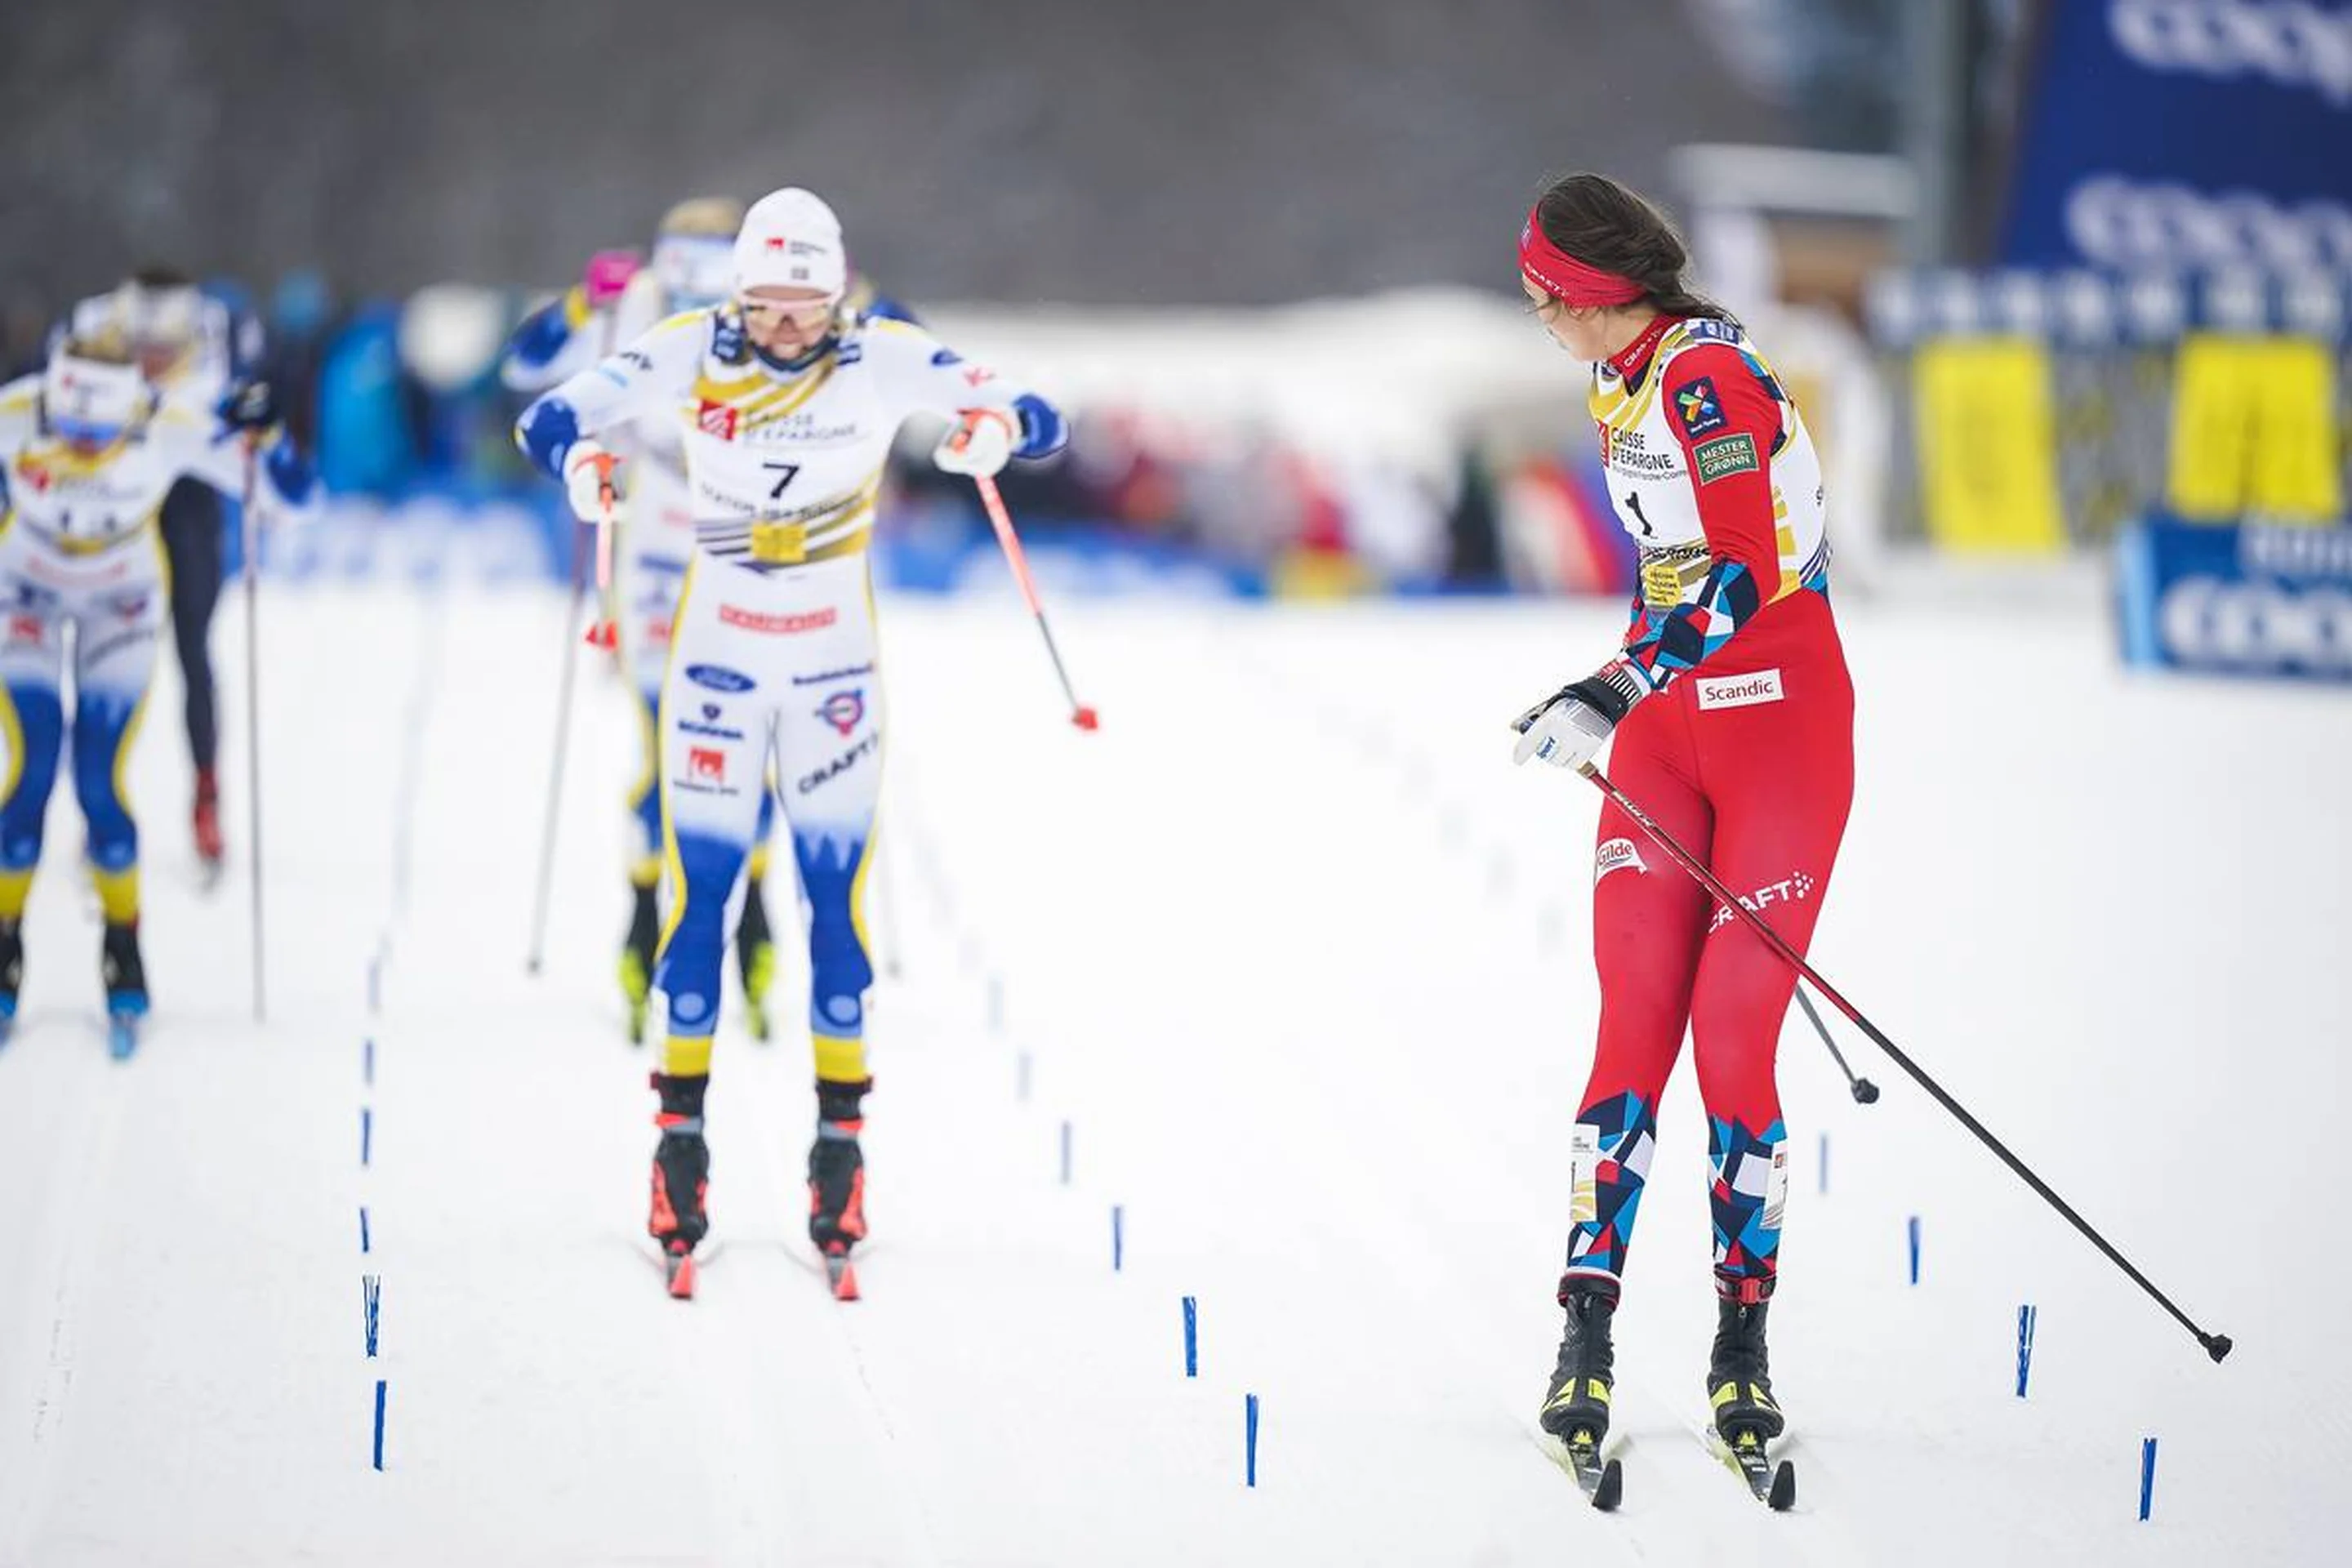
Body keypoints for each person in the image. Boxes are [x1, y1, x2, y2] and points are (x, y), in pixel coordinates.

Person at [514, 187, 1067, 1298]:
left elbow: (1035, 410)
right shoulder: (688, 348)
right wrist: (580, 465)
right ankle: (679, 1161)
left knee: (834, 911)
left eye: (803, 308)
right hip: (713, 664)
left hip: (833, 678)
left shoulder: (879, 353)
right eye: (764, 306)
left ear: (836, 296)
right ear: (735, 296)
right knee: (698, 904)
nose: (782, 329)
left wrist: (993, 430)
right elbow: (547, 414)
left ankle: (839, 1165)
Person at [1508, 173, 1854, 1453]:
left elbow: (1746, 571)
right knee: (1633, 1021)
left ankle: (1741, 1349)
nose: (1536, 313)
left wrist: (1616, 680)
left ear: (1596, 294)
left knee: (1734, 1038)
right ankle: (1585, 1337)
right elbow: (1667, 580)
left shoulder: (1707, 378)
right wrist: (1622, 691)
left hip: (1780, 732)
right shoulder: (1622, 372)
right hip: (1666, 738)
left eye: (1545, 293)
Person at [505, 198, 920, 1044]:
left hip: (761, 532)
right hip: (660, 521)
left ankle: (755, 917)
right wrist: (583, 301)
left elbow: (917, 348)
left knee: (769, 739)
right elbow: (524, 365)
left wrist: (858, 300)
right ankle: (645, 917)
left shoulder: (788, 310)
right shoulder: (641, 305)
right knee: (671, 735)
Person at [0, 332, 313, 1042]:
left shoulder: (168, 422)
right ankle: (7, 942)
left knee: (100, 778)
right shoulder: (17, 411)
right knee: (32, 768)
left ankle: (123, 949)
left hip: (124, 602)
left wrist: (268, 436)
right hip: (24, 597)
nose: (83, 446)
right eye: (69, 428)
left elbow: (298, 498)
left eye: (101, 433)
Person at [55, 269, 267, 879]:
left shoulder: (221, 323)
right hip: (116, 499)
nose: (152, 358)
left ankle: (206, 797)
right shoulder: (90, 320)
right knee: (105, 651)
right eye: (141, 346)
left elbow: (250, 396)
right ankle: (98, 802)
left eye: (165, 347)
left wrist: (254, 419)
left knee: (191, 650)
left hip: (190, 498)